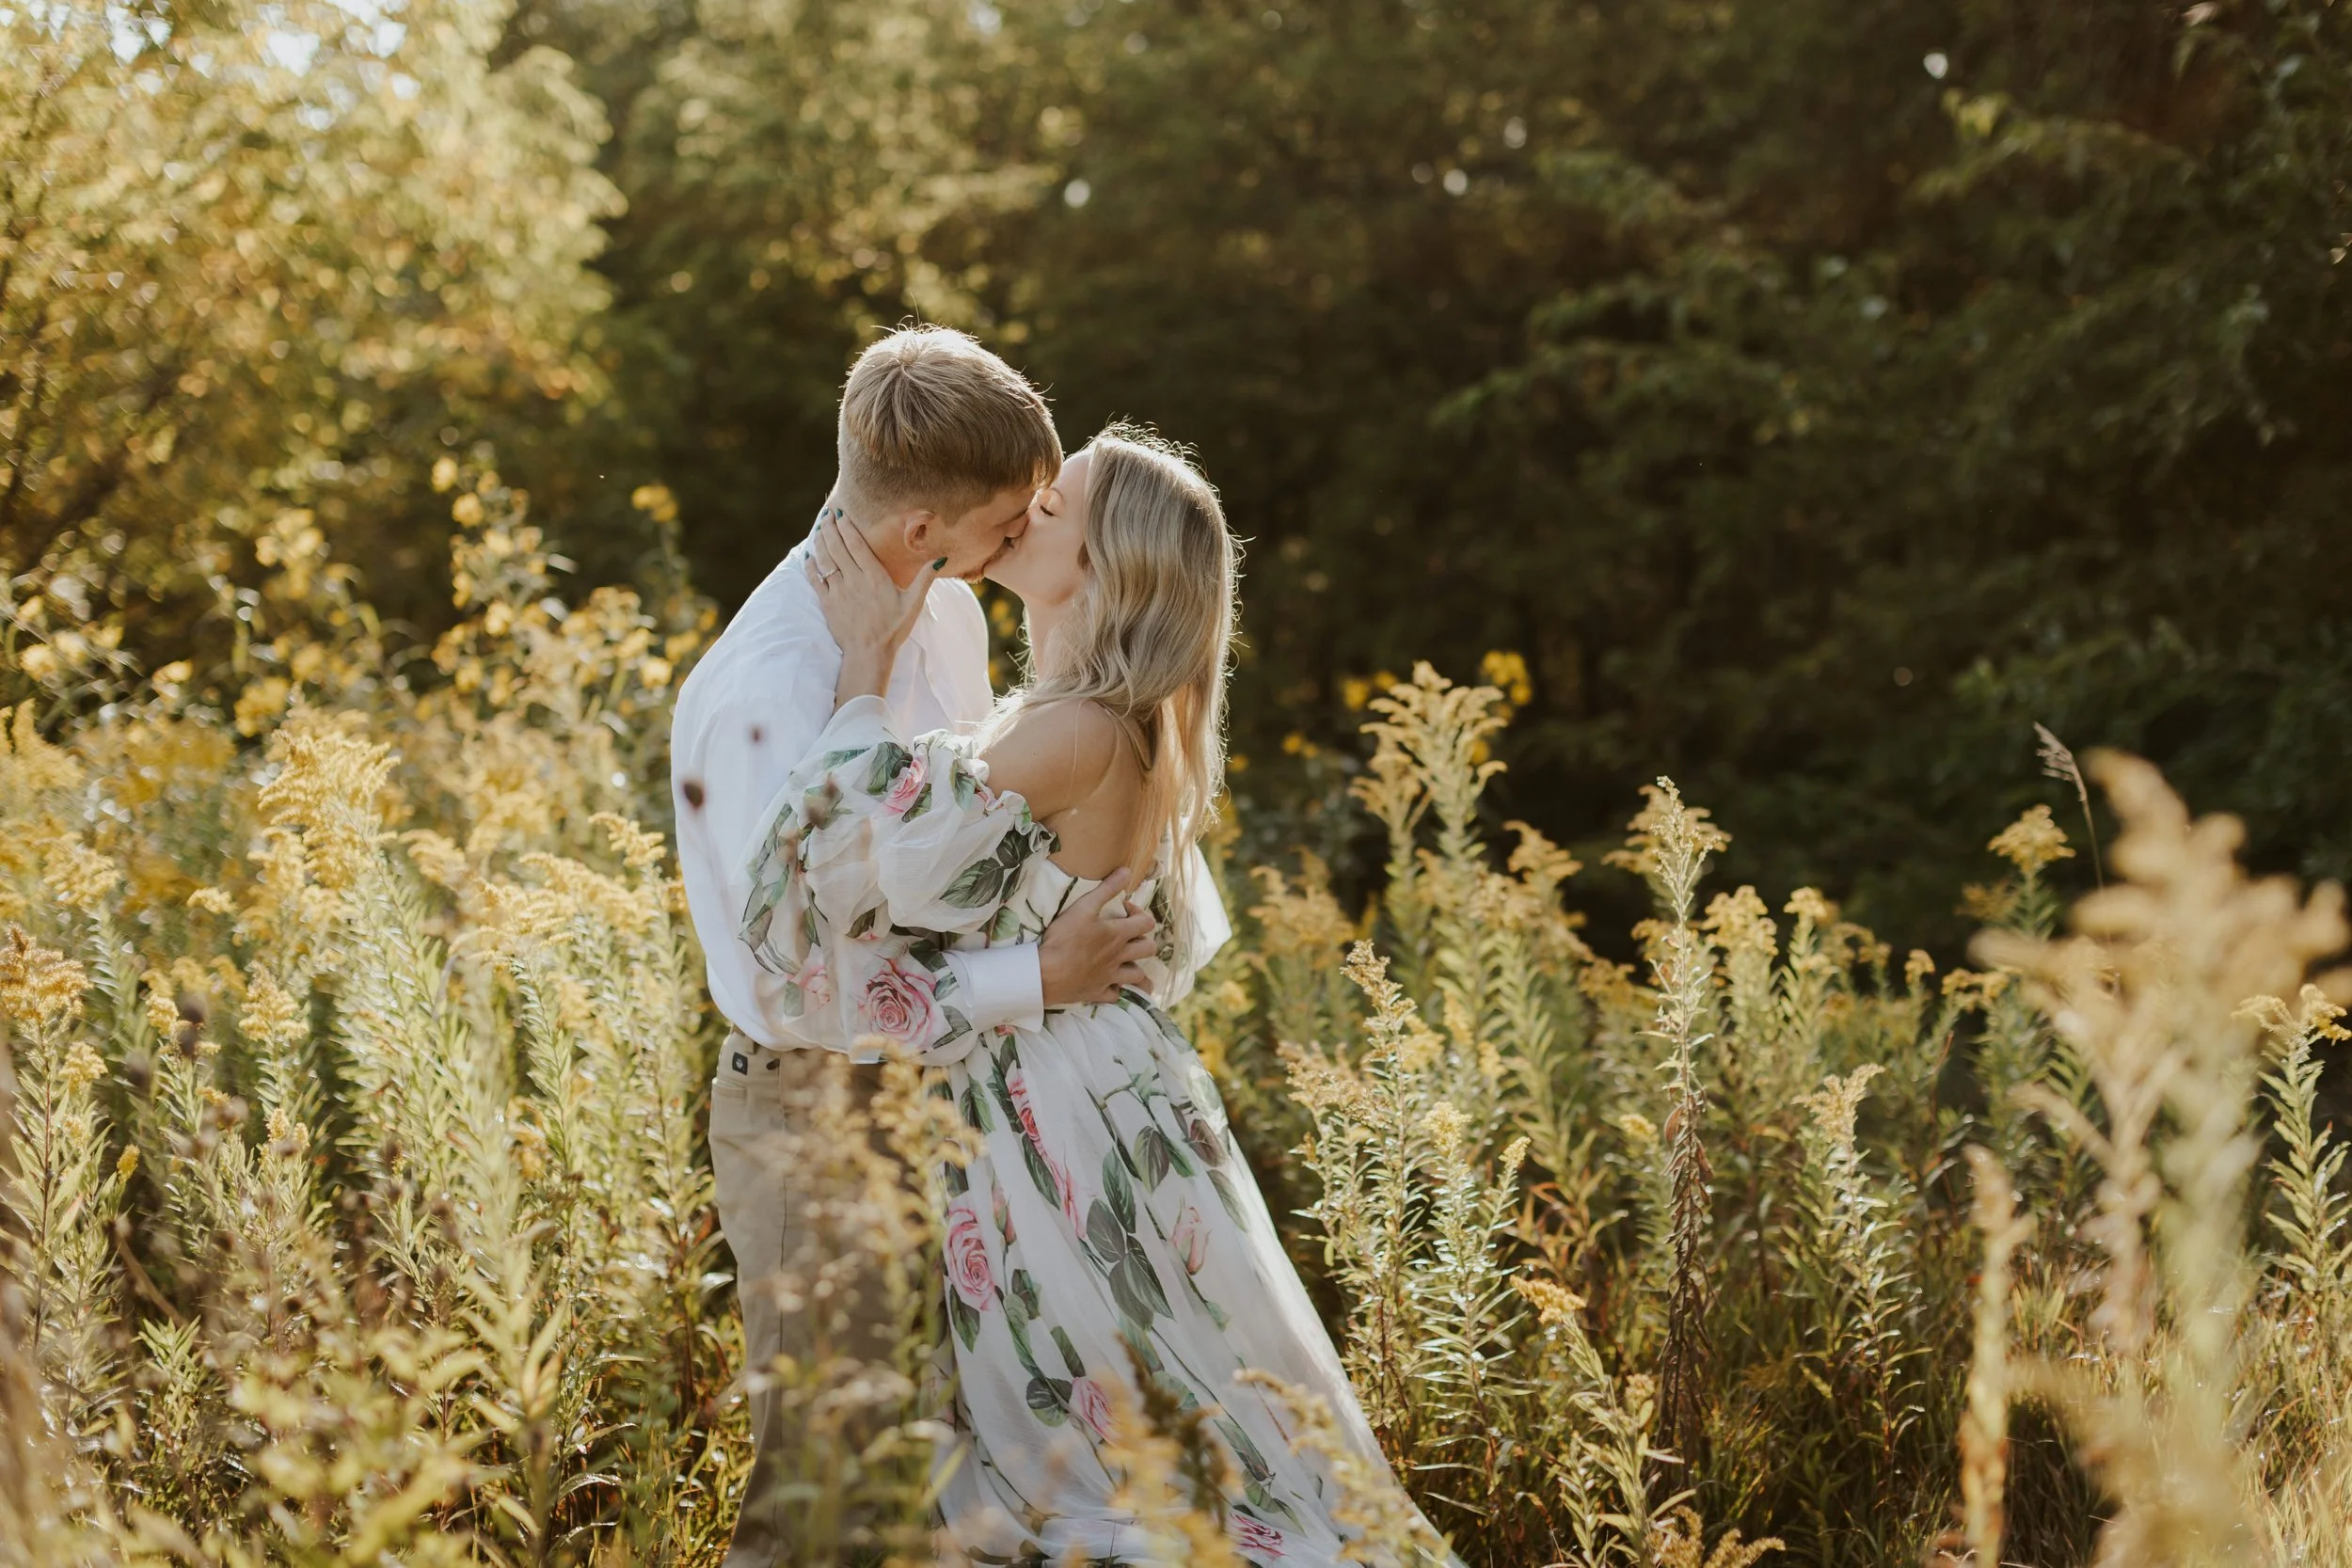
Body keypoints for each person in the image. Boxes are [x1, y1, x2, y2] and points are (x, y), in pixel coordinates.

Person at [744, 427, 1453, 1565]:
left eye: (1053, 503)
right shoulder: (1098, 718)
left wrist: (866, 666)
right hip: (1087, 1076)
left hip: (1051, 1102)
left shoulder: (1067, 730)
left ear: (1107, 563)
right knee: (1153, 1415)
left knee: (1101, 1442)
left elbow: (858, 857)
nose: (1023, 507)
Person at [670, 326, 1167, 1568]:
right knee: (824, 1498)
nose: (1019, 549)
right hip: (818, 1117)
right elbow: (805, 984)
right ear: (919, 530)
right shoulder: (767, 693)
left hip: (967, 1098)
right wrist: (1039, 975)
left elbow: (957, 856)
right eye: (1007, 527)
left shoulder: (937, 618)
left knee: (962, 1488)